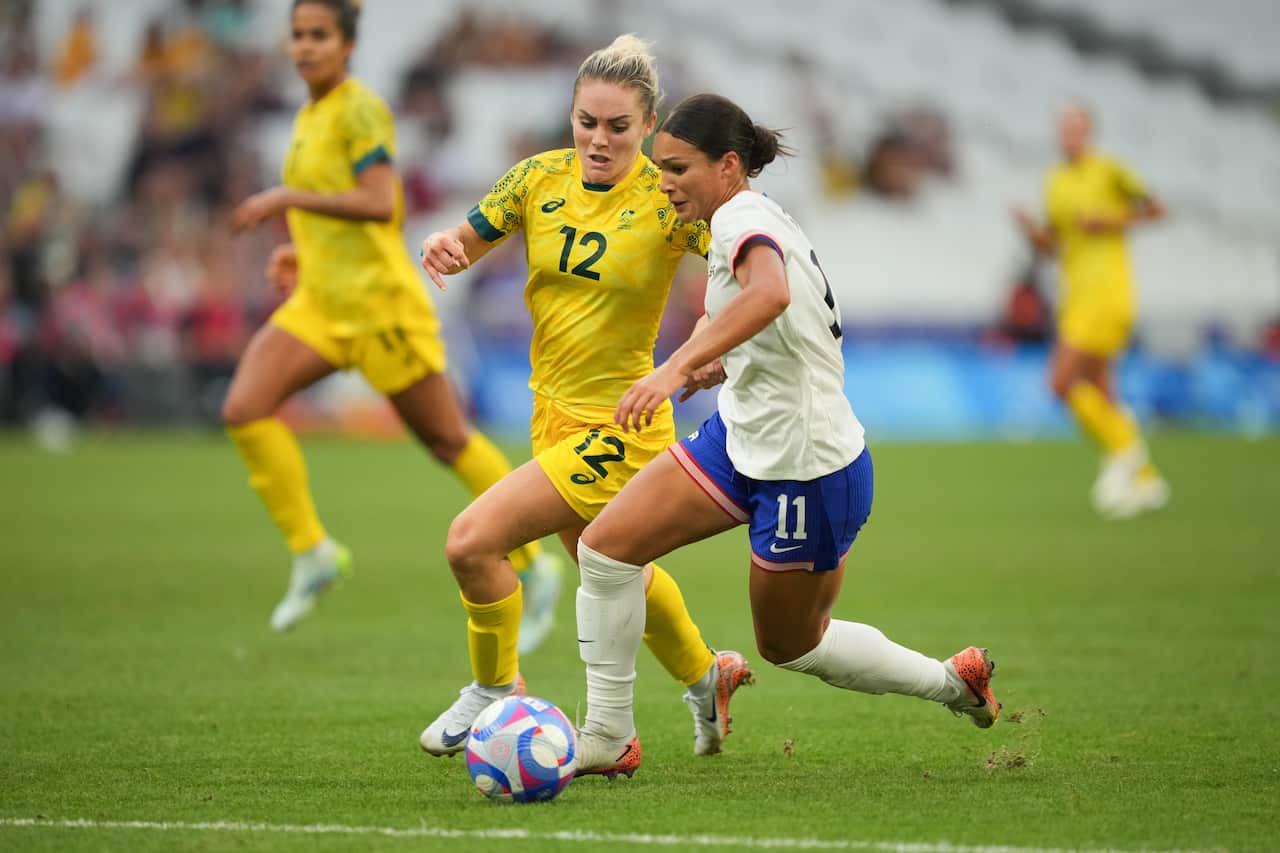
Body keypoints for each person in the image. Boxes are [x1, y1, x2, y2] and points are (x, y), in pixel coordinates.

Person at [571, 93, 1000, 772]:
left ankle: (952, 682)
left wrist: (674, 369)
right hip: (743, 435)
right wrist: (723, 357)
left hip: (807, 465)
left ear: (729, 166)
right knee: (605, 550)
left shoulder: (741, 215)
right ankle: (608, 735)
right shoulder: (742, 215)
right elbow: (774, 313)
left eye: (678, 167)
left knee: (791, 644)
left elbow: (768, 293)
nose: (665, 182)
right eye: (659, 169)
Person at [416, 36, 752, 777]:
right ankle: (707, 674)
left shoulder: (669, 202)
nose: (599, 140)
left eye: (618, 127)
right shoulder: (538, 178)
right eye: (586, 121)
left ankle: (493, 686)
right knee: (612, 565)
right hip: (552, 419)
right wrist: (444, 245)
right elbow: (470, 238)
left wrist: (704, 350)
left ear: (650, 127)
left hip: (622, 426)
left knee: (472, 542)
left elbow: (744, 275)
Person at [225, 0, 558, 637]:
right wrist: (306, 250)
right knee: (244, 407)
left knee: (448, 440)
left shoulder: (360, 108)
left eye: (319, 35)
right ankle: (313, 550)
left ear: (347, 45)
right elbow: (340, 211)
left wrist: (284, 198)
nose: (305, 47)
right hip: (322, 303)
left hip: (380, 309)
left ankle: (536, 560)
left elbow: (380, 204)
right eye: (297, 35)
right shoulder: (310, 115)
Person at [1014, 103, 1169, 518]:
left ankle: (1127, 449)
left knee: (1060, 381)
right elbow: (1053, 246)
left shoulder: (1111, 171)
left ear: (1090, 133)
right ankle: (1147, 480)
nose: (1070, 136)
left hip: (1109, 293)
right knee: (1102, 391)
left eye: (1077, 129)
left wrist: (1111, 220)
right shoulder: (1055, 182)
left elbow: (1156, 209)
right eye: (1065, 129)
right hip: (1075, 295)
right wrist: (1032, 232)